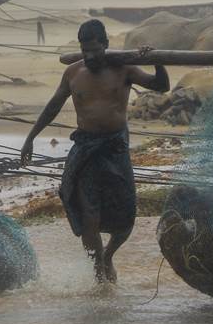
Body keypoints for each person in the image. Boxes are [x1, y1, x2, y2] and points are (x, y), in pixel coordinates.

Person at [21, 19, 169, 283]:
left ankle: (108, 254)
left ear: (105, 45)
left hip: (115, 148)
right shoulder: (73, 73)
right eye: (84, 50)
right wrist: (31, 137)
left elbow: (160, 85)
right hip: (86, 148)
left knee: (126, 215)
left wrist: (156, 59)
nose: (89, 56)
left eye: (94, 50)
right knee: (89, 213)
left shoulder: (124, 69)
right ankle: (98, 267)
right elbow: (53, 105)